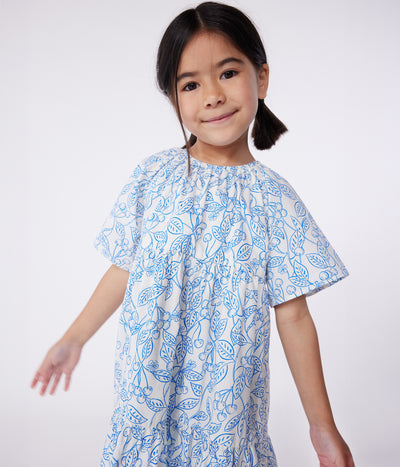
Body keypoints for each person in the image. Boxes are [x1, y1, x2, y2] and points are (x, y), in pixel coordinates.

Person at [30, 2, 355, 466]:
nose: (212, 96)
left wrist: (322, 426)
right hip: (147, 394)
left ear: (261, 78)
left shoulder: (274, 199)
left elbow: (295, 317)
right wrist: (73, 339)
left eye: (228, 73)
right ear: (173, 99)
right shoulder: (154, 176)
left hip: (226, 411)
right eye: (191, 84)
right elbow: (124, 268)